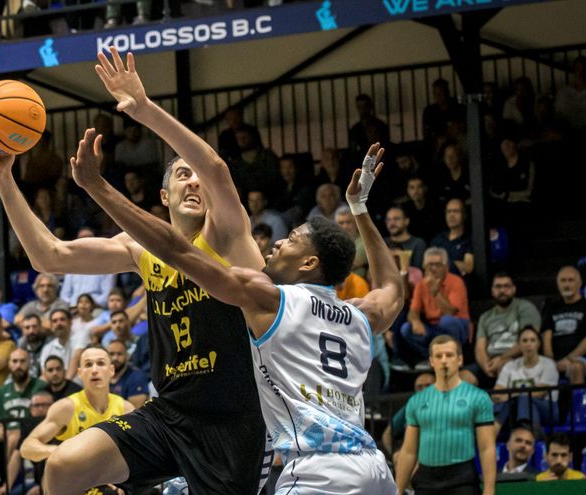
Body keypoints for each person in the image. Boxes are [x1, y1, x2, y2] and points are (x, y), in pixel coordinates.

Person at [0, 47, 268, 495]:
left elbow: (216, 168)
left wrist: (144, 109)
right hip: (169, 414)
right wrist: (3, 178)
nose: (193, 181)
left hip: (235, 419)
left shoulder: (228, 236)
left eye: (196, 178)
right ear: (164, 199)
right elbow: (49, 256)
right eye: (181, 176)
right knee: (66, 465)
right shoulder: (139, 248)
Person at [70, 132, 403, 492]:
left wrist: (98, 186)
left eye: (290, 240)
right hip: (374, 469)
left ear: (309, 262)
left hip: (318, 470)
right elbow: (392, 289)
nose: (277, 242)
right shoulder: (359, 315)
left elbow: (175, 250)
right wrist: (360, 208)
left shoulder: (270, 301)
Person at [21, 346, 135, 494]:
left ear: (111, 370)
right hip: (74, 482)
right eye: (88, 364)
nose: (94, 370)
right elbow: (27, 447)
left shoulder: (126, 409)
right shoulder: (66, 407)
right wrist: (63, 453)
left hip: (109, 482)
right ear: (80, 373)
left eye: (100, 363)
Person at [395, 335, 496, 495]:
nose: (444, 360)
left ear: (460, 359)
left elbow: (486, 447)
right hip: (425, 478)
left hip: (462, 477)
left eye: (449, 355)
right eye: (438, 356)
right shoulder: (416, 401)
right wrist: (398, 490)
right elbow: (408, 451)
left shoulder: (478, 397)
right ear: (431, 361)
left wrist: (490, 489)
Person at [470, 273, 541, 387]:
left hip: (517, 358)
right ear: (492, 290)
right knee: (463, 379)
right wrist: (486, 366)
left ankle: (501, 403)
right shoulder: (485, 317)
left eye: (506, 286)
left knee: (505, 367)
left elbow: (530, 340)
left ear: (514, 289)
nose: (502, 290)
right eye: (498, 287)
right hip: (490, 361)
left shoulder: (526, 308)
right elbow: (480, 348)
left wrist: (502, 358)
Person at [401, 247, 471, 359]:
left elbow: (450, 311)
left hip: (457, 325)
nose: (433, 268)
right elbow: (413, 311)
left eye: (438, 265)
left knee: (446, 321)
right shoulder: (421, 284)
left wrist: (434, 291)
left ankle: (456, 357)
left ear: (446, 267)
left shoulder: (456, 282)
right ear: (424, 266)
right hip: (433, 327)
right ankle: (431, 359)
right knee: (406, 328)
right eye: (429, 265)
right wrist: (415, 321)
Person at [492, 326, 558, 433]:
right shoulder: (510, 365)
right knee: (503, 403)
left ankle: (532, 436)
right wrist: (509, 397)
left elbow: (539, 392)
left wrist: (511, 395)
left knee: (523, 398)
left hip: (547, 409)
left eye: (532, 340)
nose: (529, 344)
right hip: (517, 410)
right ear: (519, 345)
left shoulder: (548, 364)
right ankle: (490, 438)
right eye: (524, 340)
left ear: (538, 344)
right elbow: (497, 394)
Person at [540, 266, 586, 384]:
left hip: (580, 358)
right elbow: (546, 336)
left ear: (580, 283)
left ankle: (578, 402)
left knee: (575, 367)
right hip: (555, 359)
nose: (566, 285)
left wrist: (569, 359)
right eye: (563, 280)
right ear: (557, 283)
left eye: (571, 280)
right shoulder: (551, 306)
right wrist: (551, 362)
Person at [430, 199, 474, 277]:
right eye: (449, 212)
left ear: (464, 215)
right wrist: (456, 264)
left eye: (456, 211)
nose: (451, 215)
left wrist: (442, 263)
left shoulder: (469, 239)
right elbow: (427, 265)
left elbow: (468, 267)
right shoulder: (438, 239)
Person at [107, 339, 149, 408]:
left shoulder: (137, 377)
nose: (115, 358)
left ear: (127, 356)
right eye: (111, 354)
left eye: (119, 354)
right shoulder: (102, 374)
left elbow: (134, 412)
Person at [384, 206, 427, 272]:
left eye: (396, 219)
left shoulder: (418, 243)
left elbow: (418, 272)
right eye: (388, 220)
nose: (392, 223)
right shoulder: (381, 243)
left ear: (406, 221)